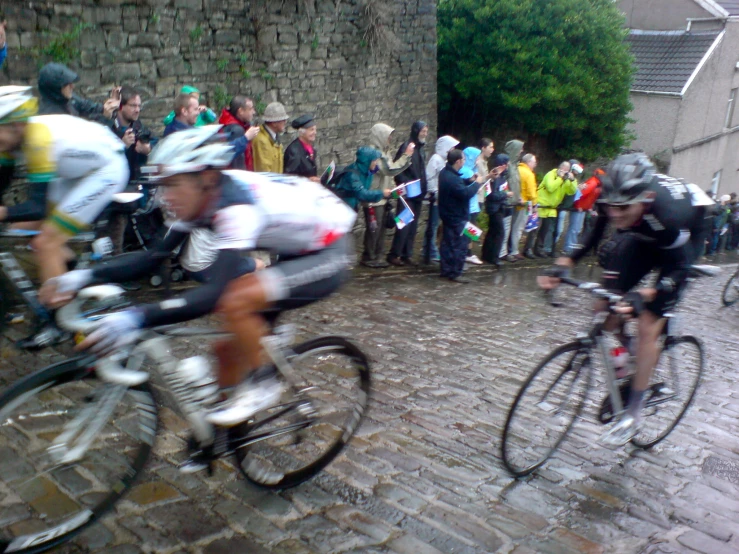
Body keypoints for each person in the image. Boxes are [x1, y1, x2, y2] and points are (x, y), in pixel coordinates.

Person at [42, 126, 358, 451]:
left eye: (172, 185)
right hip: (295, 243)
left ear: (205, 177)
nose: (166, 196)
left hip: (329, 250)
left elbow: (213, 295)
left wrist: (136, 317)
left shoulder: (236, 208)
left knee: (235, 300)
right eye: (163, 186)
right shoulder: (198, 199)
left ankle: (264, 382)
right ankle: (218, 439)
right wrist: (83, 277)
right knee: (225, 352)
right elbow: (153, 256)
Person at [538, 153, 714, 445]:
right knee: (604, 306)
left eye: (623, 208)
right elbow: (594, 232)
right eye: (611, 207)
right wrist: (565, 263)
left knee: (647, 323)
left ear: (644, 198)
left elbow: (680, 270)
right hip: (642, 235)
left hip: (682, 243)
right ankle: (630, 353)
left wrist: (645, 295)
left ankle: (633, 413)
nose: (615, 214)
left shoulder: (669, 215)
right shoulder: (615, 201)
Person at [0, 87, 129, 347]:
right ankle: (70, 279)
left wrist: (3, 212)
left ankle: (57, 322)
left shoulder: (38, 140)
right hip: (76, 172)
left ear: (15, 126)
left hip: (107, 170)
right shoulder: (12, 138)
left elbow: (37, 206)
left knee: (47, 241)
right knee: (27, 231)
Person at [362, 123, 413, 268]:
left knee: (382, 227)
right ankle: (369, 256)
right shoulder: (373, 153)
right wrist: (406, 157)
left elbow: (388, 176)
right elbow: (388, 170)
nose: (390, 138)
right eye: (388, 135)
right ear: (380, 136)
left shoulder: (385, 152)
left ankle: (378, 256)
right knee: (374, 228)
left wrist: (392, 189)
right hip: (374, 197)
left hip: (383, 195)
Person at [438, 149, 490, 283]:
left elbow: (459, 184)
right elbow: (464, 193)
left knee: (447, 243)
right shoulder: (453, 179)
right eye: (463, 160)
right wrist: (477, 182)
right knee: (460, 244)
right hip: (457, 216)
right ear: (458, 161)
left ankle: (446, 269)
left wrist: (470, 180)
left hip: (447, 215)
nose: (465, 162)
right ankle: (456, 272)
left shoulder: (445, 173)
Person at [387, 121, 428, 267]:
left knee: (413, 226)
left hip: (417, 193)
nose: (425, 133)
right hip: (408, 193)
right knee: (403, 224)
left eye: (426, 131)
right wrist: (408, 185)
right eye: (423, 130)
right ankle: (395, 253)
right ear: (416, 131)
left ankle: (406, 253)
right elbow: (398, 172)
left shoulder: (420, 148)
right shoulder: (407, 147)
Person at [37, 63, 118, 121]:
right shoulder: (52, 116)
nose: (72, 86)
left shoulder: (66, 98)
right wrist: (103, 116)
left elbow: (86, 105)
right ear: (56, 88)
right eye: (67, 84)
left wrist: (108, 106)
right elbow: (80, 133)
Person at [423, 135, 459, 264]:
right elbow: (430, 177)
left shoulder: (444, 161)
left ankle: (431, 250)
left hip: (441, 198)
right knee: (432, 226)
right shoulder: (436, 159)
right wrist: (434, 192)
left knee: (436, 225)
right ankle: (430, 252)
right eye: (452, 147)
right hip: (435, 198)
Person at [533, 161, 577, 257]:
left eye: (567, 171)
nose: (564, 172)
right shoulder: (550, 174)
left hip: (552, 207)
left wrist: (573, 180)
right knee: (536, 229)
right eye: (563, 170)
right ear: (559, 168)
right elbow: (550, 188)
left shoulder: (566, 180)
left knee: (547, 230)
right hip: (542, 204)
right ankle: (532, 249)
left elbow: (572, 191)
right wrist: (560, 178)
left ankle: (541, 249)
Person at [334, 146, 392, 211]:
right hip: (342, 208)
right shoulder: (352, 175)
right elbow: (361, 193)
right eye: (374, 160)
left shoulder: (365, 171)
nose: (376, 163)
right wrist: (381, 193)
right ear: (367, 162)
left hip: (351, 206)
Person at [562, 168, 603, 255]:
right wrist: (578, 206)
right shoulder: (593, 183)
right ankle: (569, 248)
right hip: (579, 209)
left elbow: (590, 198)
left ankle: (571, 247)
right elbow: (580, 194)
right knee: (574, 229)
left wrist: (589, 208)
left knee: (577, 229)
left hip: (583, 209)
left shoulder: (596, 183)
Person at [481, 154, 513, 266]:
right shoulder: (494, 177)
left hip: (499, 207)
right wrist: (505, 194)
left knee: (492, 231)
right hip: (494, 208)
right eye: (507, 164)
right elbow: (490, 195)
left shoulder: (502, 177)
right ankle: (494, 257)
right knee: (500, 232)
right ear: (503, 165)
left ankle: (486, 255)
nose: (508, 166)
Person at [217, 95, 259, 169]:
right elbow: (238, 162)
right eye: (250, 109)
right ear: (241, 111)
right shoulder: (237, 130)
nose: (254, 112)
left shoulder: (226, 123)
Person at [460, 146, 483, 265]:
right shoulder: (466, 171)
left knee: (471, 230)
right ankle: (466, 253)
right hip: (468, 206)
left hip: (473, 206)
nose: (478, 160)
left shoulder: (472, 170)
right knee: (467, 230)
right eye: (477, 157)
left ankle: (468, 252)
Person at [501, 139, 524, 259]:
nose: (522, 151)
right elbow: (503, 183)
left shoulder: (515, 165)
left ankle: (506, 251)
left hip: (513, 201)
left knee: (509, 228)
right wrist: (506, 194)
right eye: (520, 148)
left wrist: (518, 196)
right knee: (505, 228)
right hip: (507, 201)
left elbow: (516, 183)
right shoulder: (507, 165)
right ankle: (502, 252)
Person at [553, 159, 583, 253]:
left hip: (565, 207)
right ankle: (550, 248)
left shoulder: (573, 179)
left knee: (559, 229)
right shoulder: (564, 176)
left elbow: (572, 191)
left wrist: (576, 186)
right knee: (557, 229)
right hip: (560, 206)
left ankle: (552, 248)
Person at [251, 102, 288, 173]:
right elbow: (264, 172)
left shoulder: (274, 138)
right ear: (274, 123)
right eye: (283, 120)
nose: (285, 122)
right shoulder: (261, 141)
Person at [283, 114, 319, 180]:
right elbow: (290, 177)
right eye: (311, 130)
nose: (315, 132)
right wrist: (308, 180)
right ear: (302, 133)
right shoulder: (294, 151)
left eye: (315, 129)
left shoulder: (310, 148)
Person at [518, 153, 539, 259]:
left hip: (517, 201)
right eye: (534, 162)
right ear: (529, 162)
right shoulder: (529, 174)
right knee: (522, 227)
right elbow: (531, 192)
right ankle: (516, 250)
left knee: (515, 227)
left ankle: (513, 249)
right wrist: (535, 205)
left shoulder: (517, 169)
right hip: (526, 204)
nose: (535, 164)